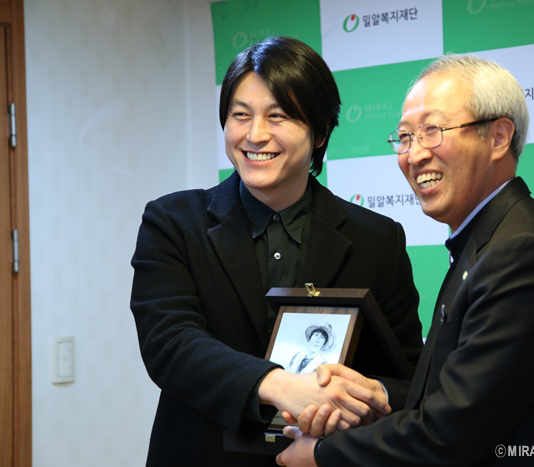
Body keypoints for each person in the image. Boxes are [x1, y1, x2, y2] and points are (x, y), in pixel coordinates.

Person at [276, 54, 534, 466]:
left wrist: (321, 453)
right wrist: (377, 394)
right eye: (405, 137)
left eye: (432, 131)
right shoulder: (485, 240)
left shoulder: (523, 252)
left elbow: (451, 433)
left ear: (498, 138)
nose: (414, 154)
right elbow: (459, 399)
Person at [129, 36, 423, 466]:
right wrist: (283, 386)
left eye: (278, 116)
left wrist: (353, 397)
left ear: (319, 131)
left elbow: (408, 380)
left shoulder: (378, 239)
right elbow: (170, 344)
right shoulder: (174, 222)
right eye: (240, 115)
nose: (255, 135)